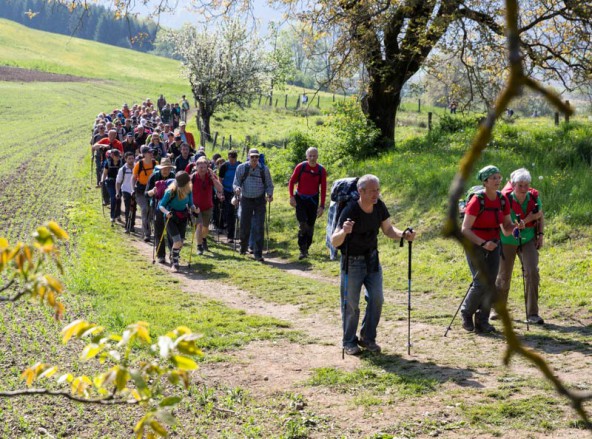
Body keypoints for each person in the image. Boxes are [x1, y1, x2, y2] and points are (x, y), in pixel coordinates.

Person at [331, 175, 416, 355]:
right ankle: (348, 341)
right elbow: (335, 241)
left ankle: (368, 338)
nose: (376, 194)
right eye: (372, 191)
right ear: (361, 192)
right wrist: (344, 232)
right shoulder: (350, 210)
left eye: (377, 190)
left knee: (377, 299)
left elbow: (388, 230)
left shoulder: (379, 206)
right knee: (351, 304)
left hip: (372, 260)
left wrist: (403, 234)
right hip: (351, 262)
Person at [460, 165, 523, 333]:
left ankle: (482, 320)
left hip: (494, 244)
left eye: (499, 177)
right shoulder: (477, 200)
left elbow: (506, 228)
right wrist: (482, 243)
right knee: (480, 283)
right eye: (494, 178)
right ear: (485, 181)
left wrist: (516, 226)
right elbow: (465, 229)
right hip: (475, 244)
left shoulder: (503, 199)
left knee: (490, 284)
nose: (498, 180)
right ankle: (466, 313)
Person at [495, 168, 545, 324]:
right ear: (513, 184)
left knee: (532, 272)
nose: (523, 189)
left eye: (526, 185)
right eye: (520, 185)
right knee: (504, 276)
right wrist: (520, 224)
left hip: (528, 238)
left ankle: (532, 314)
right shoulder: (505, 199)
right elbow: (504, 226)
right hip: (507, 240)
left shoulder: (534, 197)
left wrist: (541, 235)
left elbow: (540, 215)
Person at [233, 149, 274, 262]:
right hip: (245, 199)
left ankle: (258, 253)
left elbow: (269, 185)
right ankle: (243, 247)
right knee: (245, 225)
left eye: (256, 157)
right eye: (252, 157)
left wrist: (269, 194)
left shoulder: (264, 169)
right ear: (248, 157)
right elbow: (236, 182)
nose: (255, 159)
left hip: (260, 201)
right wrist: (237, 188)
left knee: (258, 226)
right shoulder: (241, 168)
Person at [288, 147, 327, 259]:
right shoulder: (301, 167)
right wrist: (291, 197)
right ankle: (302, 250)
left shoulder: (321, 170)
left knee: (310, 226)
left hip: (313, 200)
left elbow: (323, 188)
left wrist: (322, 206)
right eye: (310, 156)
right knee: (303, 224)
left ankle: (307, 247)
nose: (312, 158)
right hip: (300, 199)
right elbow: (291, 182)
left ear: (317, 156)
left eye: (314, 156)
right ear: (307, 156)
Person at [158, 171, 196, 271]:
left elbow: (191, 204)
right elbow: (161, 205)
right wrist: (166, 212)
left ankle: (173, 255)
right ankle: (175, 264)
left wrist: (195, 209)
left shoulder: (189, 190)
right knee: (177, 241)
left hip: (183, 217)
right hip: (171, 217)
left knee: (181, 242)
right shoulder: (170, 191)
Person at [191, 157, 224, 254]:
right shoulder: (192, 177)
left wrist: (213, 178)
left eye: (204, 167)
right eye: (200, 167)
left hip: (208, 206)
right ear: (196, 167)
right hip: (195, 207)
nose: (202, 169)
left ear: (207, 168)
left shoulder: (210, 177)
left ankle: (204, 239)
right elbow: (186, 190)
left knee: (205, 227)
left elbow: (220, 188)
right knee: (199, 225)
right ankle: (199, 246)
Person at [146, 158, 176, 264]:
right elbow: (146, 193)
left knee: (171, 232)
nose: (166, 170)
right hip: (157, 206)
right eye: (164, 168)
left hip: (170, 207)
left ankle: (173, 254)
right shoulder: (154, 176)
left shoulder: (173, 176)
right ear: (161, 168)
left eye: (168, 168)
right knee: (159, 230)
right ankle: (161, 255)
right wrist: (153, 191)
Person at [132, 146, 157, 242]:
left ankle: (149, 230)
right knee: (144, 209)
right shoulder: (139, 164)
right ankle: (147, 234)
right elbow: (134, 178)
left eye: (151, 152)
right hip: (141, 191)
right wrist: (132, 189)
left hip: (152, 190)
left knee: (151, 212)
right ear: (144, 154)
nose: (151, 153)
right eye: (149, 152)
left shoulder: (155, 163)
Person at [218, 150, 241, 242]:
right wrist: (221, 191)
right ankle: (230, 236)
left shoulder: (240, 166)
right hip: (227, 191)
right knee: (230, 213)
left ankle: (240, 234)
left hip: (238, 192)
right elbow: (220, 179)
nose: (232, 161)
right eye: (230, 159)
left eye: (233, 159)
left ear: (236, 158)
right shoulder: (224, 166)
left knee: (239, 213)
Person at [101, 149, 123, 225]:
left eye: (118, 156)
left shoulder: (121, 163)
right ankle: (112, 216)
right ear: (112, 156)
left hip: (119, 182)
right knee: (113, 197)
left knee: (119, 198)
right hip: (110, 182)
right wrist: (102, 181)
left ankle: (118, 214)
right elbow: (104, 173)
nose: (118, 157)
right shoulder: (108, 163)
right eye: (116, 156)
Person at [116, 152, 136, 233]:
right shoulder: (122, 169)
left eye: (132, 158)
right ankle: (128, 225)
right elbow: (118, 182)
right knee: (128, 207)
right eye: (129, 159)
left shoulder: (137, 167)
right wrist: (117, 192)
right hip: (126, 190)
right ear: (125, 159)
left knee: (134, 208)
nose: (131, 160)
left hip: (135, 190)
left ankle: (132, 225)